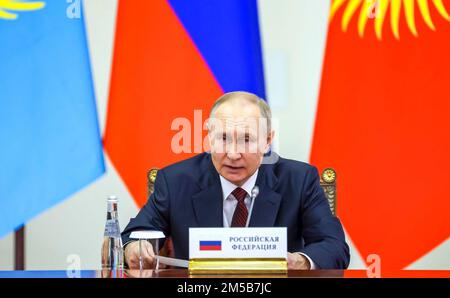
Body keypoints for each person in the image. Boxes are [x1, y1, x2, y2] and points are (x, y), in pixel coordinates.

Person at [122, 91, 350, 270]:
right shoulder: (176, 181)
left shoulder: (298, 180)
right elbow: (135, 234)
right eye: (222, 138)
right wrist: (134, 248)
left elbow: (333, 246)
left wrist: (300, 261)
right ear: (209, 137)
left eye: (247, 140)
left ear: (267, 140)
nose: (233, 153)